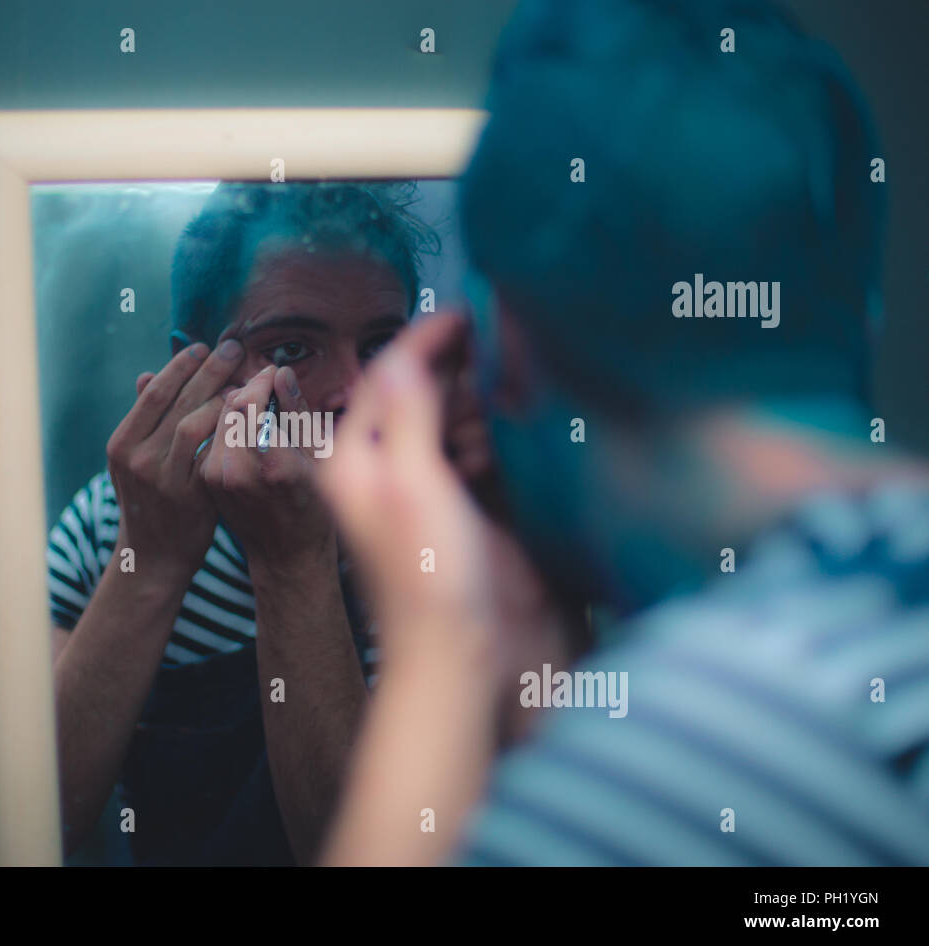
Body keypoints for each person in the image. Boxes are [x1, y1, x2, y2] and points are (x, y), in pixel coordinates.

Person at [317, 0, 929, 866]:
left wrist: (439, 652)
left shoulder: (725, 733)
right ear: (864, 321)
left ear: (506, 353)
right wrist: (532, 636)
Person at [47, 181, 447, 864]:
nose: (355, 391)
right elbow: (32, 812)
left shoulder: (445, 550)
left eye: (380, 345)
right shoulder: (112, 520)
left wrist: (294, 565)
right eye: (292, 349)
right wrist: (154, 558)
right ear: (196, 371)